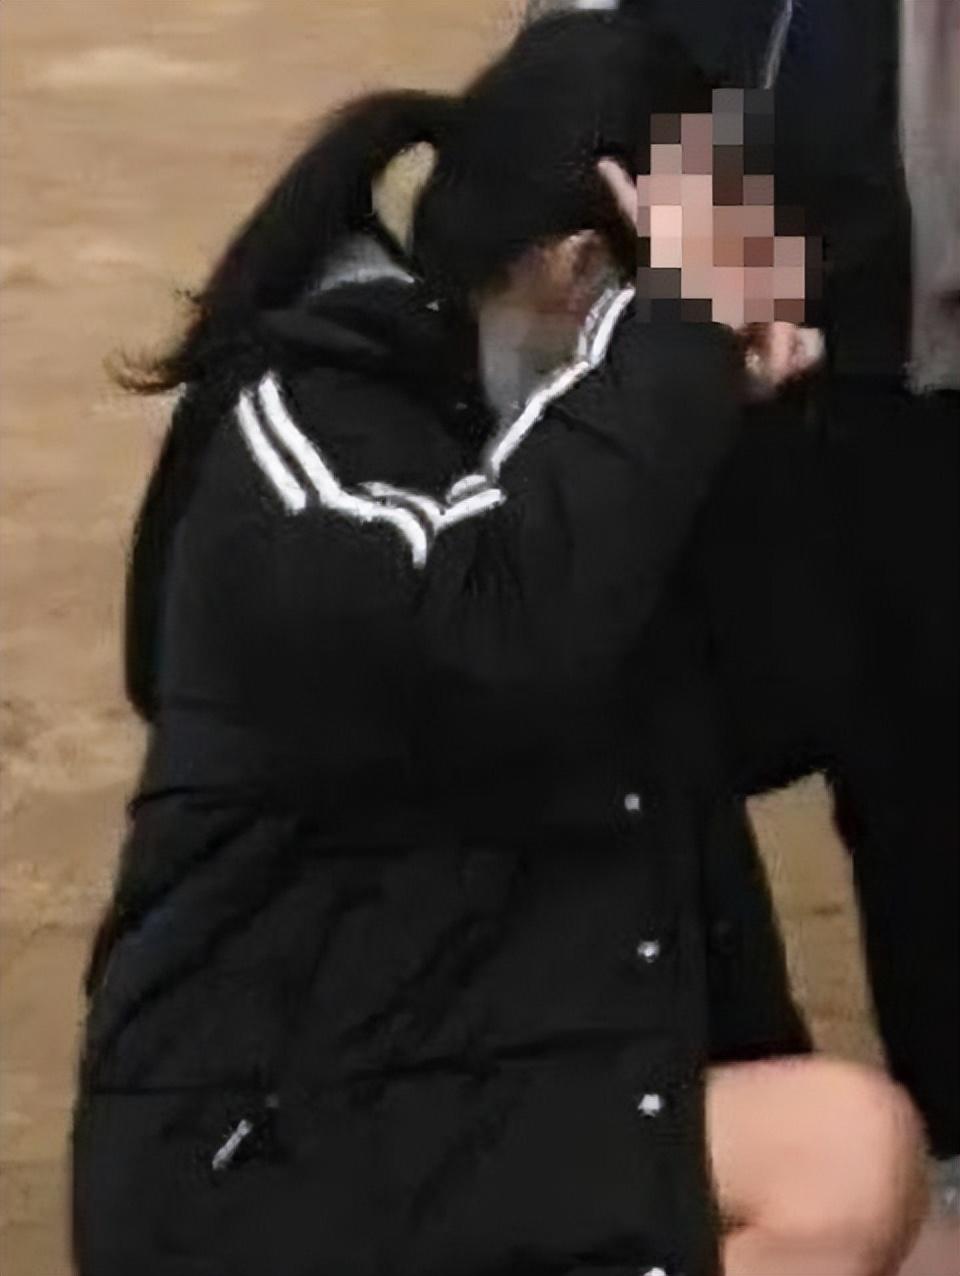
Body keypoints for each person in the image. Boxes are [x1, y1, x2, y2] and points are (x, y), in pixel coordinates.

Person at [72, 12, 926, 1275]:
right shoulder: (304, 424)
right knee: (843, 1155)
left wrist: (742, 430)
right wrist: (670, 350)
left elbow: (781, 707)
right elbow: (497, 634)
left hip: (490, 1070)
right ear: (578, 271)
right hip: (270, 1130)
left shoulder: (612, 452)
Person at [527, 0, 960, 1211]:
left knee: (927, 776)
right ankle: (728, 1135)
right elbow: (587, 94)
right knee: (663, 761)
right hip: (695, 374)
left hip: (909, 383)